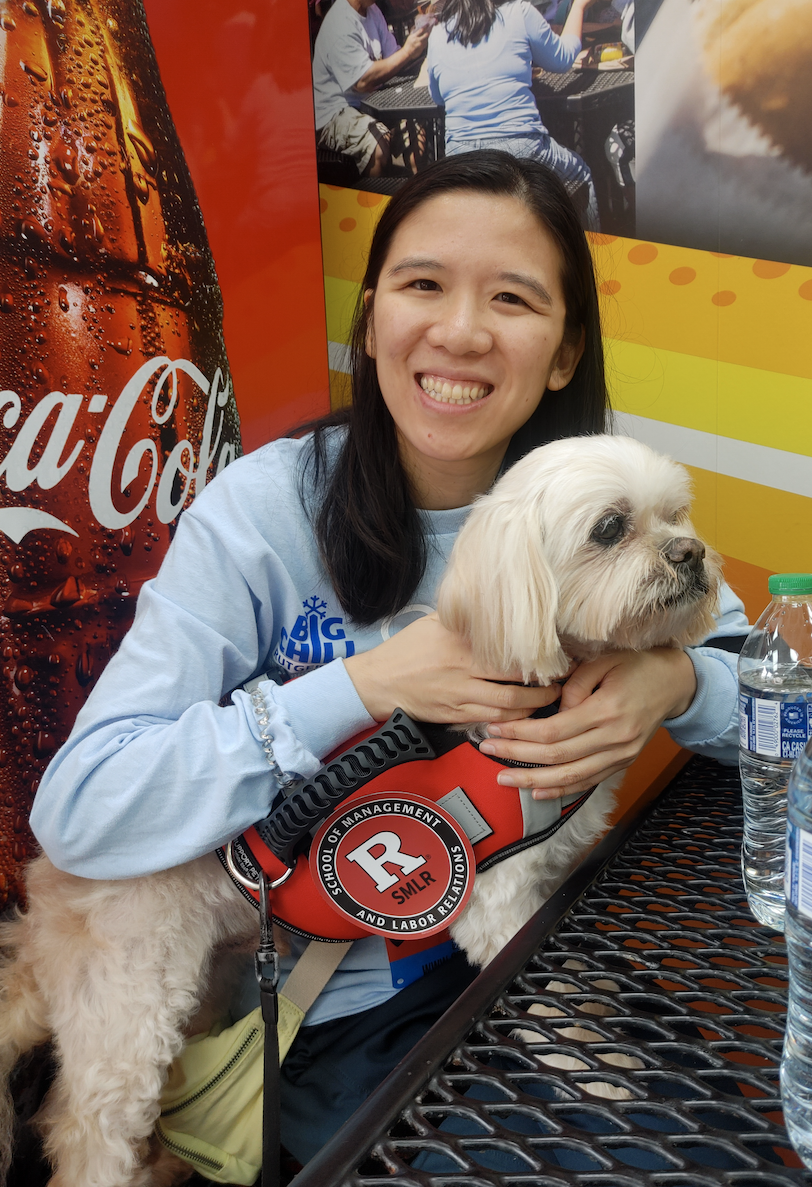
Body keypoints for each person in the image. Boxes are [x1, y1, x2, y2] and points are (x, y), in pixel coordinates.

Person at [30, 151, 748, 1165]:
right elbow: (81, 809)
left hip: (534, 944)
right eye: (422, 285)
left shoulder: (600, 498)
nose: (459, 330)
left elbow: (791, 700)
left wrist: (677, 681)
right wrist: (360, 687)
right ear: (369, 322)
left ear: (564, 351)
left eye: (511, 297)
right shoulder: (264, 513)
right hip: (321, 1005)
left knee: (711, 1143)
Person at [425, 0, 600, 229]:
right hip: (519, 145)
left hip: (460, 152)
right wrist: (578, 7)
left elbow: (438, 96)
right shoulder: (520, 12)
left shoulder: (438, 33)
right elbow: (563, 58)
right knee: (580, 174)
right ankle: (592, 259)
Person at [312, 0, 430, 177]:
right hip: (333, 113)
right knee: (377, 144)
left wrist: (417, 38)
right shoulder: (340, 23)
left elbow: (393, 57)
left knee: (415, 127)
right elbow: (362, 82)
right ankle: (374, 200)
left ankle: (418, 188)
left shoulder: (373, 11)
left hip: (372, 102)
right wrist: (407, 52)